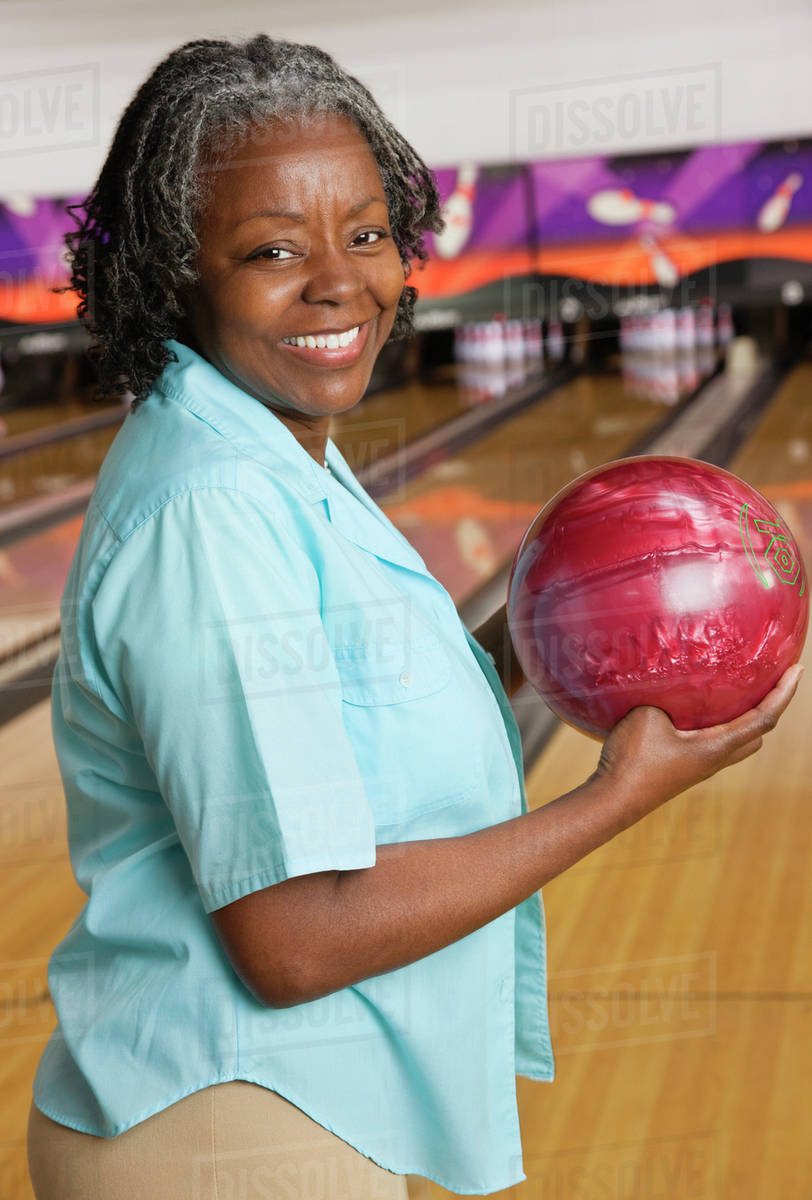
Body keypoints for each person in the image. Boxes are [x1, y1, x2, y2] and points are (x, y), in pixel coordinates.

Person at [26, 34, 802, 1200]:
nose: (339, 282)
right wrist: (615, 798)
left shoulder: (268, 445)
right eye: (273, 250)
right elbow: (293, 939)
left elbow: (343, 716)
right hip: (230, 1134)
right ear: (175, 269)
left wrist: (547, 632)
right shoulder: (214, 511)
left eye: (367, 232)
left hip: (272, 1115)